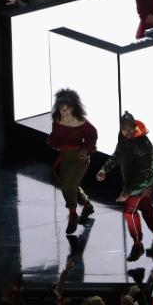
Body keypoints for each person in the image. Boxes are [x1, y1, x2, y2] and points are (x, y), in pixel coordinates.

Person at [96, 112, 153, 262]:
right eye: (124, 130)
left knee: (129, 212)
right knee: (146, 207)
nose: (127, 134)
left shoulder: (143, 144)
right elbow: (118, 155)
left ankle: (138, 244)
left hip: (143, 183)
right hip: (132, 182)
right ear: (121, 129)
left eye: (130, 130)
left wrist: (126, 193)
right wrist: (104, 169)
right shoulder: (122, 137)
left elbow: (143, 174)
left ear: (135, 127)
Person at [47, 88, 97, 234]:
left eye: (67, 109)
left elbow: (92, 135)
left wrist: (86, 150)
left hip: (80, 159)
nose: (64, 112)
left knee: (67, 188)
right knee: (70, 186)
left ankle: (73, 215)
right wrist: (55, 144)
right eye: (62, 109)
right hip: (65, 158)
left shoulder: (81, 122)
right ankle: (87, 205)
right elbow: (55, 135)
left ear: (73, 108)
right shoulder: (57, 120)